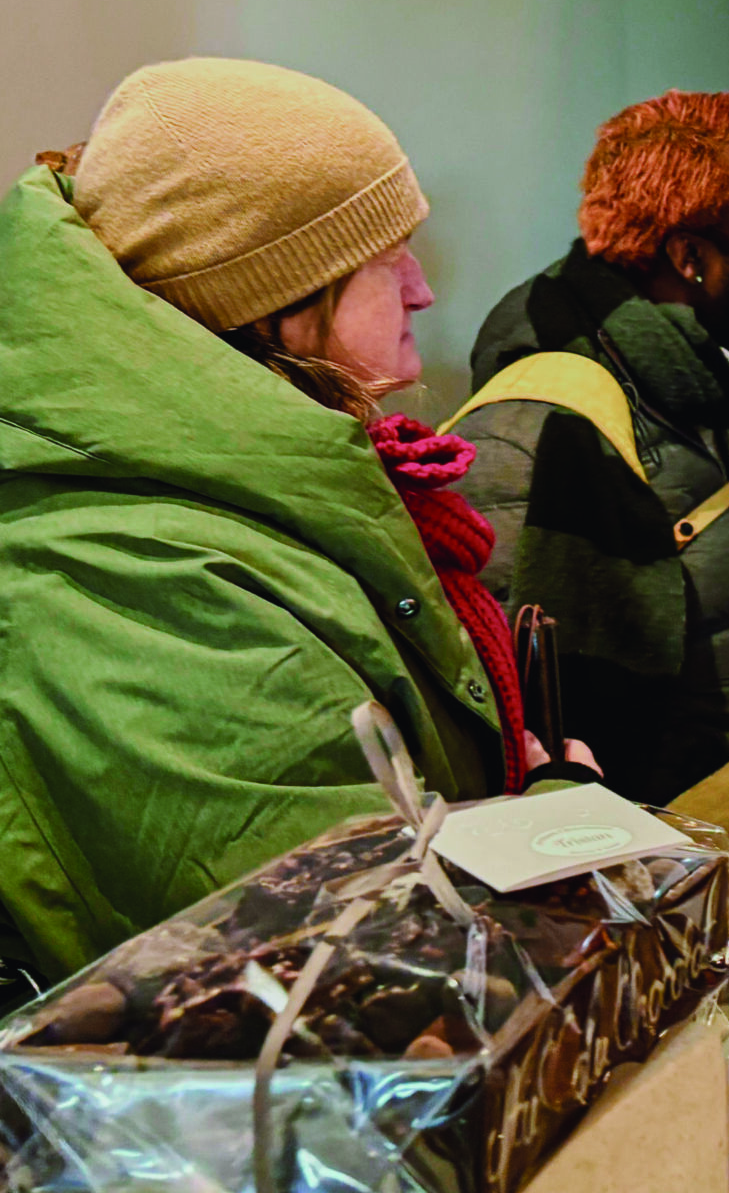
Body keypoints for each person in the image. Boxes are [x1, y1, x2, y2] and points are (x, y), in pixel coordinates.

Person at [0, 58, 537, 988]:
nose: (423, 290)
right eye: (386, 258)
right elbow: (344, 980)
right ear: (278, 305)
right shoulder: (138, 582)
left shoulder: (256, 494)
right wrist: (561, 822)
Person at [449, 90, 729, 822]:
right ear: (690, 259)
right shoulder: (543, 433)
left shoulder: (677, 394)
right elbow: (534, 742)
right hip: (674, 905)